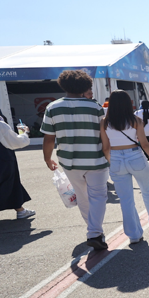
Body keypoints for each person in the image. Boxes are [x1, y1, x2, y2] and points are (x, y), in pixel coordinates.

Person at [41, 71, 110, 250]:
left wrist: (47, 158)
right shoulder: (95, 107)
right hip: (95, 160)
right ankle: (94, 232)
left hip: (69, 161)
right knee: (99, 195)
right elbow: (104, 135)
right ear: (84, 86)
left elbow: (49, 138)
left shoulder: (52, 107)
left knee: (82, 195)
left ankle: (93, 231)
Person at [100, 91, 149, 244]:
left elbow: (105, 147)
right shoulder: (135, 120)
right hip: (135, 156)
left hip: (115, 158)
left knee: (126, 199)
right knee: (147, 191)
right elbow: (145, 144)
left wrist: (113, 162)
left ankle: (134, 235)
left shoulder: (104, 122)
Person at [0, 99, 35, 230]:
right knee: (3, 188)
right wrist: (24, 132)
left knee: (11, 185)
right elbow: (16, 142)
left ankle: (20, 210)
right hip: (2, 162)